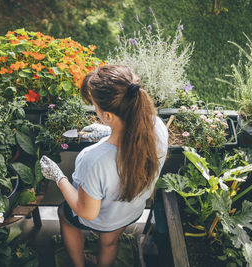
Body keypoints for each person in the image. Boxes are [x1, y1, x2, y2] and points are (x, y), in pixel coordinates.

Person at [40, 65, 168, 267]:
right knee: (109, 242)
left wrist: (58, 177)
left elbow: (87, 212)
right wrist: (107, 132)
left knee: (64, 215)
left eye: (95, 106)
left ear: (108, 115)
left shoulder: (93, 159)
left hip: (101, 218)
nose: (94, 109)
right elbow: (129, 140)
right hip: (130, 212)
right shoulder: (157, 126)